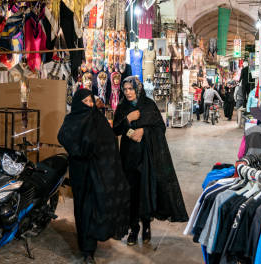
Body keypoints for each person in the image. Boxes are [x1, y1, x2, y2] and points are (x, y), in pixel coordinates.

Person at [113, 76, 189, 246]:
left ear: (137, 89)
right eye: (125, 89)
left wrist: (143, 132)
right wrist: (128, 121)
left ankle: (146, 226)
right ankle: (134, 229)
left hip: (147, 157)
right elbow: (115, 130)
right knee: (131, 193)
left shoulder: (149, 105)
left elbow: (160, 128)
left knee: (145, 191)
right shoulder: (122, 107)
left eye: (131, 89)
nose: (128, 92)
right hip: (129, 158)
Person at [58, 89, 131, 263]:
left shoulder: (99, 120)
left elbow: (110, 142)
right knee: (81, 209)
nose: (90, 105)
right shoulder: (71, 120)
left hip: (97, 172)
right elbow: (63, 137)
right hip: (79, 172)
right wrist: (80, 149)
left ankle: (90, 248)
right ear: (77, 104)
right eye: (85, 102)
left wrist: (97, 152)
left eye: (91, 101)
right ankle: (85, 246)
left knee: (92, 207)